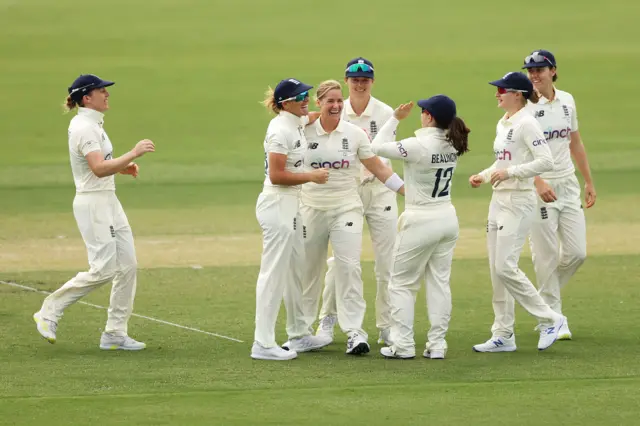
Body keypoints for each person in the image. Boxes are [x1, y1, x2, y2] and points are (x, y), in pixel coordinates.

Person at [33, 74, 155, 350]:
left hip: (108, 200)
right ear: (87, 98)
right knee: (103, 269)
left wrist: (123, 167)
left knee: (128, 266)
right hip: (92, 203)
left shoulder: (94, 124)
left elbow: (101, 163)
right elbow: (98, 169)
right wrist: (133, 154)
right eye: (102, 91)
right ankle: (49, 311)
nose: (107, 94)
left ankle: (114, 333)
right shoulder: (84, 127)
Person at [295, 80, 404, 355]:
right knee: (309, 269)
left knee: (348, 266)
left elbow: (378, 168)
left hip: (346, 207)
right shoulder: (302, 130)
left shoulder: (354, 134)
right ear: (318, 103)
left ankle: (355, 331)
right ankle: (302, 332)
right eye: (329, 101)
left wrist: (409, 192)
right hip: (311, 207)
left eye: (338, 101)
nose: (335, 105)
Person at [469, 72, 565, 352]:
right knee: (495, 270)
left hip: (519, 201)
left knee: (505, 266)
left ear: (518, 94)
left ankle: (550, 319)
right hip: (498, 200)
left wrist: (510, 173)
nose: (497, 94)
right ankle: (503, 334)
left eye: (502, 90)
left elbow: (545, 161)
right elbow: (502, 161)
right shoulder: (505, 123)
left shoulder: (527, 123)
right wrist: (484, 176)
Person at [370, 95, 470, 360]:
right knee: (439, 282)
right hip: (447, 217)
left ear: (428, 116)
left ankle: (402, 346)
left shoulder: (418, 145)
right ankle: (437, 345)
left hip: (420, 219)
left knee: (401, 283)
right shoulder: (452, 143)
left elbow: (376, 146)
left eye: (423, 111)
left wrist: (394, 119)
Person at [316, 57, 399, 346]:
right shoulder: (338, 109)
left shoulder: (385, 112)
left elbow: (384, 155)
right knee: (342, 261)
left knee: (387, 263)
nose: (360, 84)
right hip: (348, 193)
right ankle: (327, 319)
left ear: (372, 81)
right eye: (355, 79)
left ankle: (387, 326)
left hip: (380, 192)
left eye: (365, 79)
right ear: (347, 80)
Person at [252, 78, 333, 361]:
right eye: (301, 97)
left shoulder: (295, 121)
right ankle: (262, 343)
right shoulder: (279, 130)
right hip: (277, 203)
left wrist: (331, 108)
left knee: (296, 268)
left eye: (308, 95)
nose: (306, 100)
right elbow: (276, 175)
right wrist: (312, 176)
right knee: (273, 273)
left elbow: (311, 116)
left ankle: (299, 334)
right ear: (286, 102)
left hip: (292, 206)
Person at [523, 50, 595, 340]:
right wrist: (538, 181)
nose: (534, 75)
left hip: (567, 184)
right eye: (530, 70)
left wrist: (588, 181)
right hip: (539, 187)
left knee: (577, 253)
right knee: (545, 256)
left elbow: (574, 142)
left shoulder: (567, 100)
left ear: (553, 71)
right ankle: (551, 322)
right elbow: (523, 151)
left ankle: (540, 304)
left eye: (540, 69)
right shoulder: (525, 109)